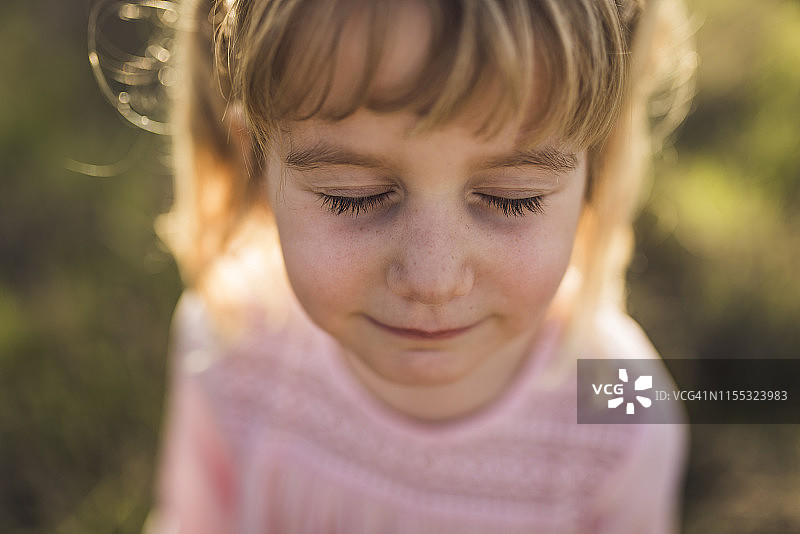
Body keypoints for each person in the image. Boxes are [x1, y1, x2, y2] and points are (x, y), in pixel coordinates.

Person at [141, 0, 696, 532]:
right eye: (352, 196)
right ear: (255, 162)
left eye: (512, 198)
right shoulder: (232, 342)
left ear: (592, 177)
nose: (433, 280)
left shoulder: (618, 417)